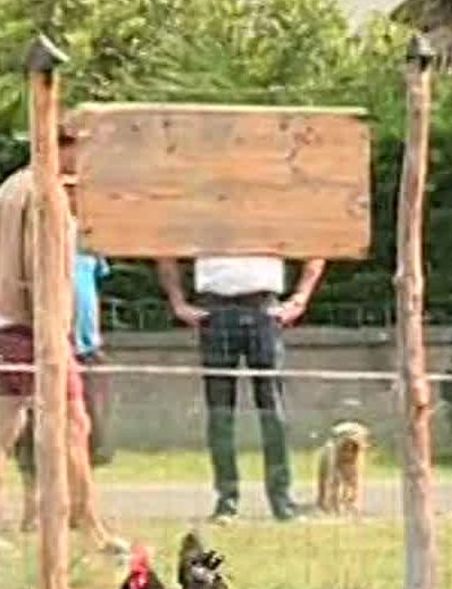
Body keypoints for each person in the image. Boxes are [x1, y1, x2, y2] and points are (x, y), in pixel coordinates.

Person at [0, 131, 125, 555]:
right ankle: (90, 526)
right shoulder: (42, 194)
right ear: (62, 146)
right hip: (32, 326)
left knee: (42, 424)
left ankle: (85, 522)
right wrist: (50, 325)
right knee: (61, 424)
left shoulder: (15, 188)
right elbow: (39, 264)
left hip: (22, 324)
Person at [156, 254, 325, 523]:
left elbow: (317, 243)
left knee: (273, 410)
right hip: (214, 307)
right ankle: (227, 499)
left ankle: (281, 499)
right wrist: (178, 302)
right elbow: (164, 250)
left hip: (263, 307)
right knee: (220, 412)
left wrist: (300, 298)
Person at [12, 248, 114, 527]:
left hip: (83, 347)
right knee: (22, 432)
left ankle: (83, 512)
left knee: (84, 430)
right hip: (32, 344)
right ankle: (33, 509)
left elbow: (90, 286)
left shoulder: (89, 243)